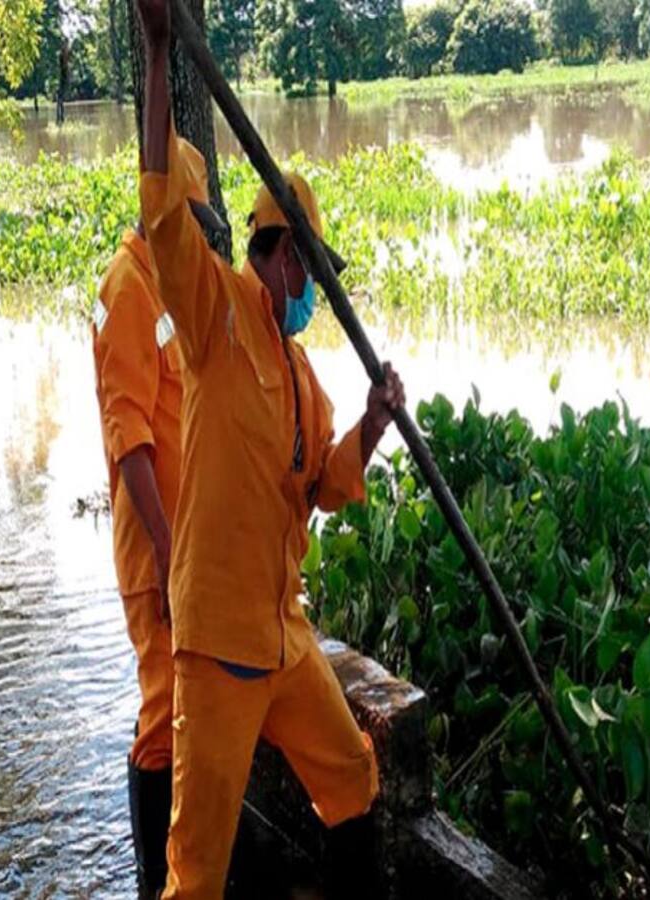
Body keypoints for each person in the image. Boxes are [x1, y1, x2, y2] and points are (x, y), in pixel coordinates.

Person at [133, 1, 407, 896]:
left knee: (353, 776)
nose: (315, 294)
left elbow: (322, 483)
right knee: (196, 871)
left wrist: (370, 422)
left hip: (282, 635)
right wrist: (161, 51)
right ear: (281, 255)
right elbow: (165, 213)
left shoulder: (302, 374)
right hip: (214, 648)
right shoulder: (214, 315)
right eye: (313, 271)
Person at [91, 138, 225, 899]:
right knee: (160, 708)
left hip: (185, 546)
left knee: (188, 707)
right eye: (190, 216)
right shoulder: (127, 291)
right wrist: (174, 558)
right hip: (155, 552)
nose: (199, 234)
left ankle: (182, 866)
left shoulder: (166, 285)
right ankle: (150, 883)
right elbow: (132, 444)